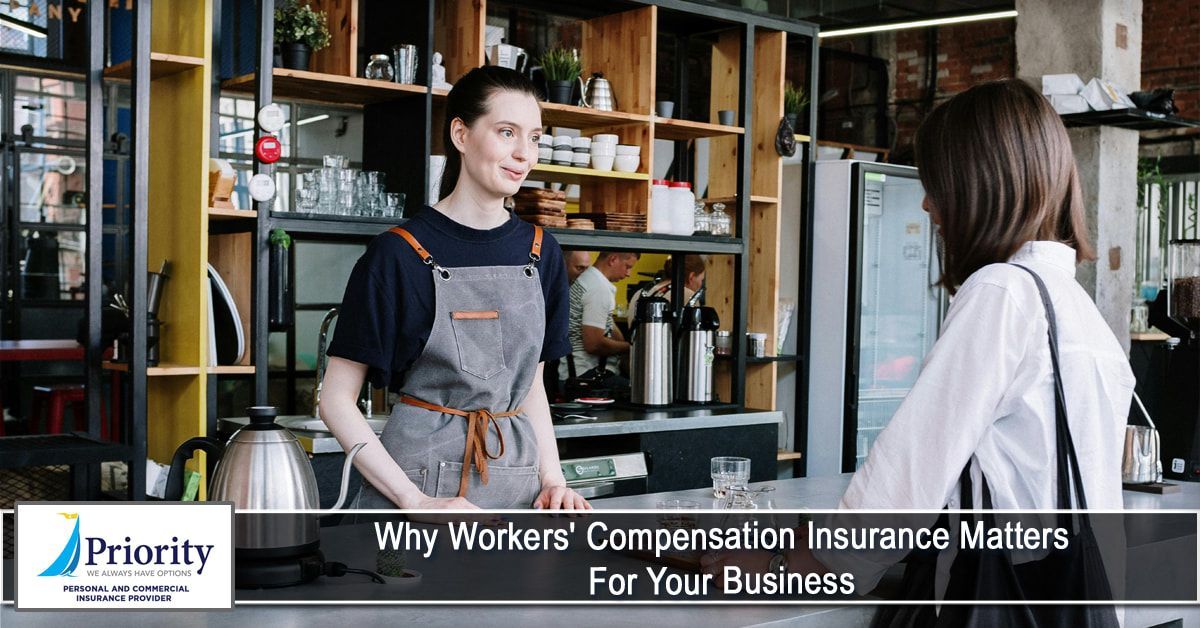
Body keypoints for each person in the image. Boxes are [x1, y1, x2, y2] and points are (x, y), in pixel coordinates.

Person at [703, 79, 1134, 611]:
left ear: (981, 186)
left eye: (938, 183)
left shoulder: (1001, 292)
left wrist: (779, 568)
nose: (928, 203)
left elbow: (905, 482)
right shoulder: (1075, 307)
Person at [319, 65, 589, 511]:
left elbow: (530, 387)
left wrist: (553, 479)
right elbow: (335, 400)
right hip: (415, 489)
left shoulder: (543, 252)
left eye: (535, 137)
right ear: (461, 135)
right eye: (507, 132)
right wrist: (415, 500)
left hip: (517, 487)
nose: (524, 153)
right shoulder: (397, 254)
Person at [559, 251, 638, 383]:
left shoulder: (589, 279)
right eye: (628, 266)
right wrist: (631, 347)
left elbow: (609, 324)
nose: (628, 273)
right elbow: (594, 344)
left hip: (573, 372)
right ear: (613, 259)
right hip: (586, 375)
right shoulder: (598, 288)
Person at [626, 254, 706, 325]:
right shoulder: (689, 295)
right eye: (701, 279)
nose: (701, 284)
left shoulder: (639, 293)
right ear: (691, 277)